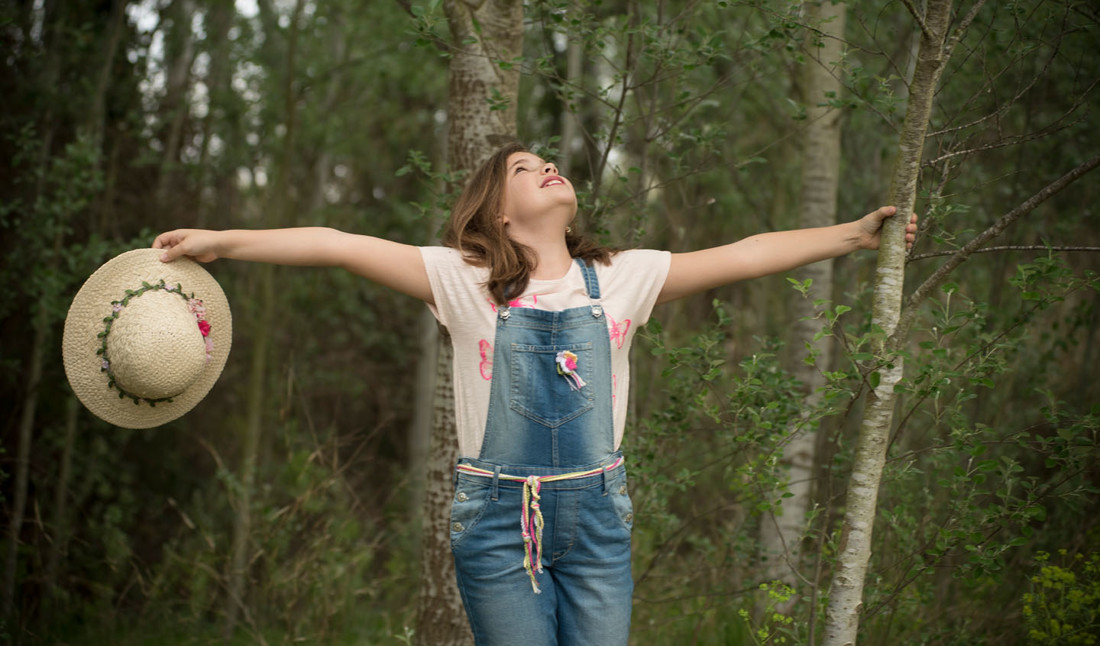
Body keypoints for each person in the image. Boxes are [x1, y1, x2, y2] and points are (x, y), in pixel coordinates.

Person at [154, 142, 917, 646]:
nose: (548, 166)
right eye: (526, 166)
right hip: (494, 525)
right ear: (497, 210)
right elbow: (336, 244)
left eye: (551, 160)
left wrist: (853, 235)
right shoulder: (462, 282)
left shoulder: (624, 277)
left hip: (597, 521)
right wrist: (222, 242)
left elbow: (747, 253)